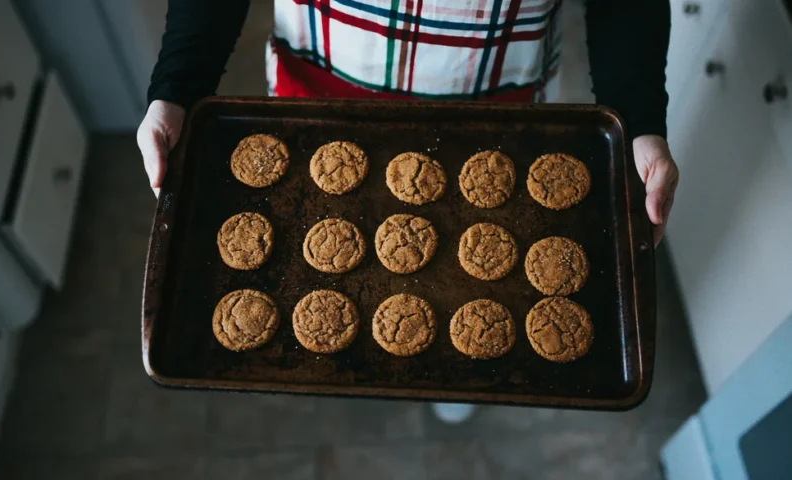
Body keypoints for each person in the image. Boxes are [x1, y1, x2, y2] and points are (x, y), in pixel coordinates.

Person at [138, 0, 678, 423]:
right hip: (318, 97)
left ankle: (453, 379)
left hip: (497, 114)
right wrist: (178, 86)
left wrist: (639, 117)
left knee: (465, 320)